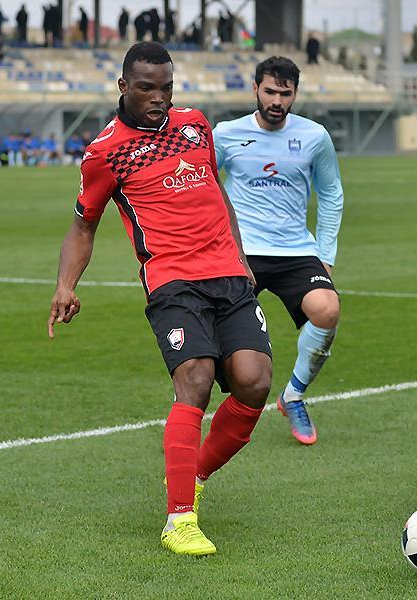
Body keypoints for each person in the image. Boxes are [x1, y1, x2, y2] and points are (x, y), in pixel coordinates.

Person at [48, 42, 272, 556]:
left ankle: (192, 475)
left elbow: (216, 192)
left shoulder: (195, 124)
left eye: (166, 88)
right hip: (172, 281)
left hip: (228, 274)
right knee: (195, 379)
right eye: (146, 88)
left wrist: (241, 258)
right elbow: (83, 226)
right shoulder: (105, 151)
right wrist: (65, 284)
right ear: (123, 86)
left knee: (254, 382)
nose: (158, 98)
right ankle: (179, 519)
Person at [213, 56, 343, 445]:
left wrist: (326, 254)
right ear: (255, 89)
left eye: (285, 94)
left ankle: (294, 396)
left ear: (295, 94)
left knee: (327, 309)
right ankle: (191, 411)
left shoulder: (315, 136)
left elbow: (331, 192)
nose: (277, 101)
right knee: (212, 331)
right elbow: (201, 183)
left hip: (295, 250)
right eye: (270, 91)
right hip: (242, 250)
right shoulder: (226, 134)